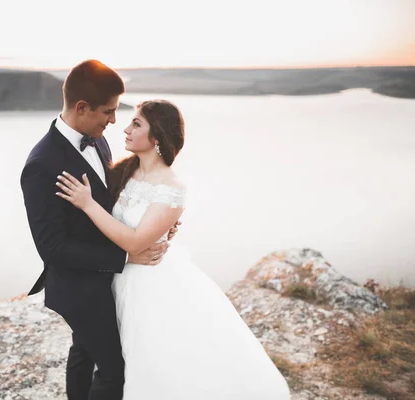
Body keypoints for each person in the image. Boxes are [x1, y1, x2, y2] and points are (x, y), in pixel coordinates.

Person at [55, 99, 292, 399]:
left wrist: (87, 204)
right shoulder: (123, 171)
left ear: (157, 139)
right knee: (89, 351)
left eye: (137, 124)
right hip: (110, 277)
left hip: (148, 286)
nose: (125, 129)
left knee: (141, 365)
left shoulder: (172, 187)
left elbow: (135, 242)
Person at [20, 59, 178, 400]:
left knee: (84, 352)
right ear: (82, 107)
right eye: (107, 112)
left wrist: (161, 224)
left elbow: (119, 197)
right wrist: (127, 257)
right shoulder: (41, 165)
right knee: (116, 371)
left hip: (107, 280)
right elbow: (53, 249)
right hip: (80, 287)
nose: (113, 120)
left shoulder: (97, 139)